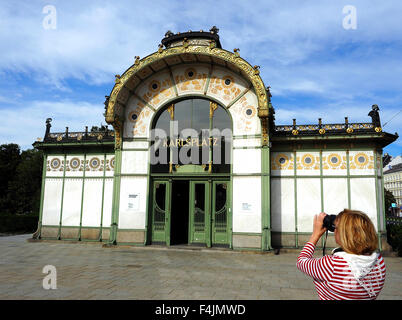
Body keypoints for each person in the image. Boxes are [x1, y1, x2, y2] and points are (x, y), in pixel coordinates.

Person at [296, 209, 386, 300]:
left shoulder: (332, 265)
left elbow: (301, 262)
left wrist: (315, 235)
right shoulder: (379, 262)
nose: (334, 230)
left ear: (344, 234)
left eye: (336, 228)